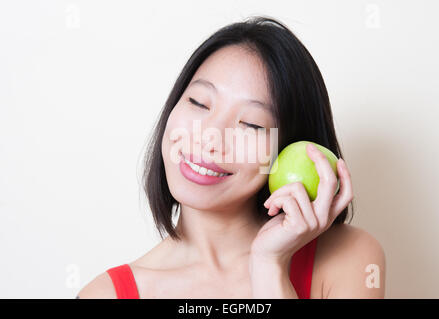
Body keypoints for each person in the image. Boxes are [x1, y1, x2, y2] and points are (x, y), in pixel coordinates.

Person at [77, 16, 385, 299]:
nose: (210, 136)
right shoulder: (105, 294)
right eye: (198, 102)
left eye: (251, 124)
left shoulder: (349, 258)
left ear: (288, 149)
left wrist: (269, 267)